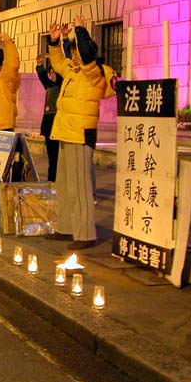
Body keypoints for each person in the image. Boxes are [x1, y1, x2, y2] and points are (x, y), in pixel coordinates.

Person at [45, 16, 117, 250]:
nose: (73, 54)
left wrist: (80, 30)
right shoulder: (73, 70)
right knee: (65, 185)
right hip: (65, 131)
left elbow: (86, 54)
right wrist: (54, 42)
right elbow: (58, 62)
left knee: (80, 186)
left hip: (80, 133)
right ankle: (66, 227)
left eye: (76, 50)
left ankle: (85, 233)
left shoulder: (95, 72)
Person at [36, 53, 62, 182]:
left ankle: (55, 180)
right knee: (51, 157)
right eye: (50, 72)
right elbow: (43, 78)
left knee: (56, 157)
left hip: (57, 126)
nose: (51, 75)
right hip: (48, 127)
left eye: (53, 72)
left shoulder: (61, 87)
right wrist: (40, 65)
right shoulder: (50, 86)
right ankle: (51, 180)